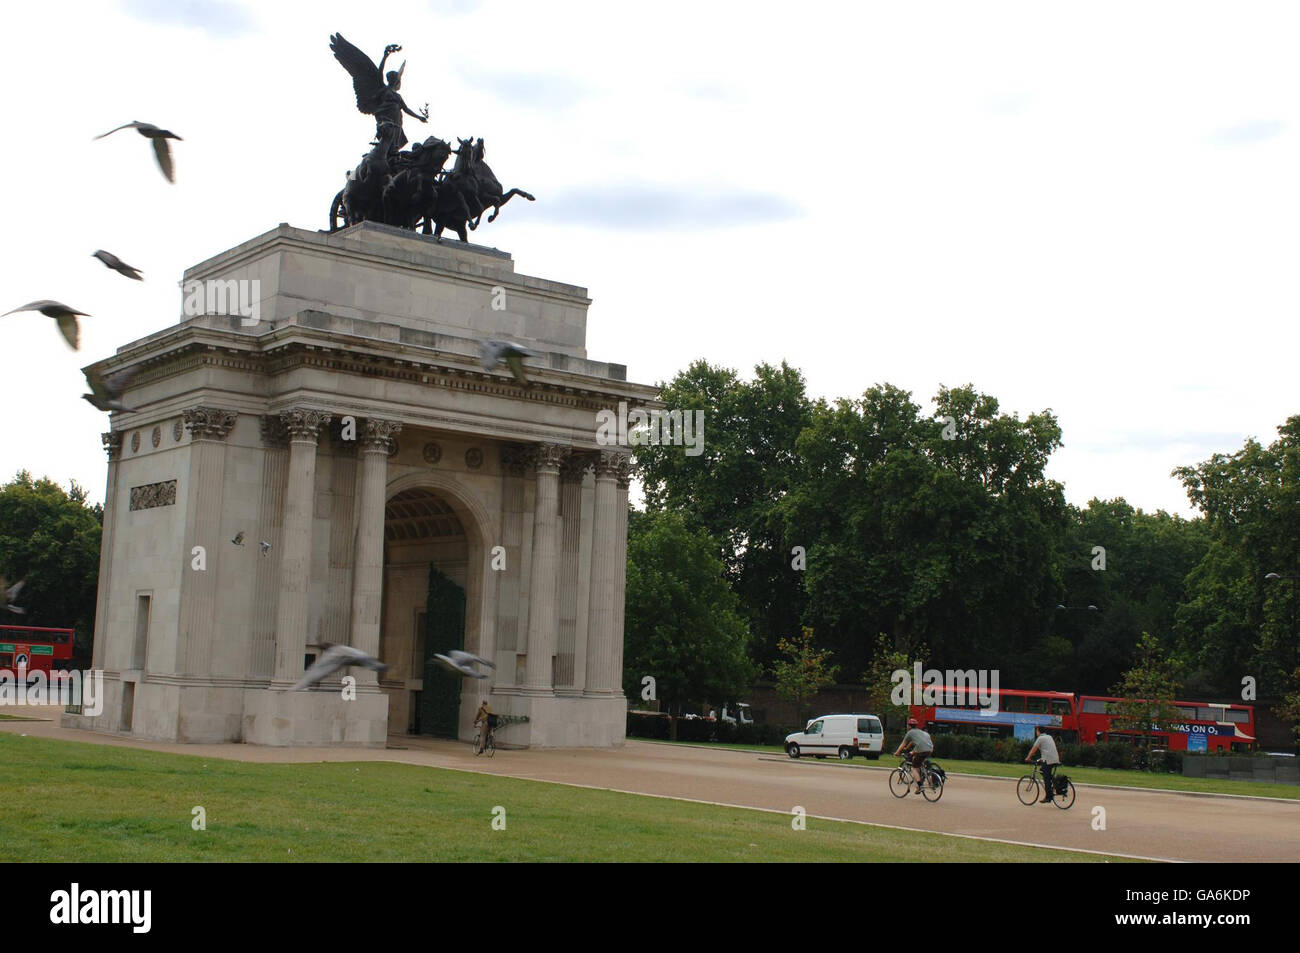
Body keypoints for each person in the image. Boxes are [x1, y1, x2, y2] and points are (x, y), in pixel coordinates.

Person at [894, 718, 935, 795]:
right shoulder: (921, 732)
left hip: (921, 750)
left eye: (907, 725)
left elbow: (903, 744)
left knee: (914, 768)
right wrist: (907, 748)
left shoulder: (910, 733)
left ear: (909, 726)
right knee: (917, 762)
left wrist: (897, 753)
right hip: (930, 749)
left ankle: (920, 786)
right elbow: (913, 741)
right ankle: (922, 777)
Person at [1025, 725, 1061, 803]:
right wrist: (1041, 759)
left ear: (1038, 731)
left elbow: (1033, 750)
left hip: (1048, 760)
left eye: (1036, 731)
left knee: (1046, 778)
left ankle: (1048, 797)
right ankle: (1054, 783)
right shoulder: (1049, 737)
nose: (1036, 732)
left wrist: (1028, 758)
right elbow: (1048, 750)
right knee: (1043, 771)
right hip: (1054, 759)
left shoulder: (1040, 738)